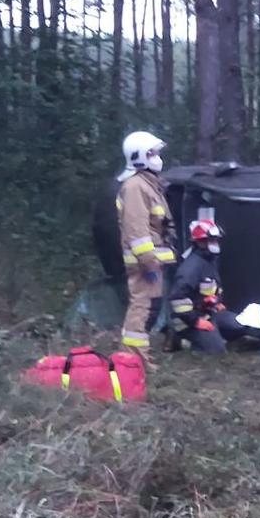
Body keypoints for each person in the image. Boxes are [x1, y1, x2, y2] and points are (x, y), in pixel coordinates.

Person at [114, 131, 177, 357]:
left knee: (149, 309)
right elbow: (137, 231)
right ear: (139, 156)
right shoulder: (135, 187)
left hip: (151, 262)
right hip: (144, 263)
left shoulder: (149, 185)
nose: (158, 157)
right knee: (141, 307)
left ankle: (139, 356)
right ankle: (132, 358)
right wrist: (149, 262)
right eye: (153, 153)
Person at [166, 219, 255, 353]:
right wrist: (196, 322)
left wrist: (216, 302)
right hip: (187, 322)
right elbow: (178, 300)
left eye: (216, 240)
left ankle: (216, 336)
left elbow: (213, 288)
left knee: (239, 326)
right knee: (216, 350)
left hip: (209, 313)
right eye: (212, 240)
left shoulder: (210, 260)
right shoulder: (191, 268)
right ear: (200, 242)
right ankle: (179, 339)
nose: (216, 243)